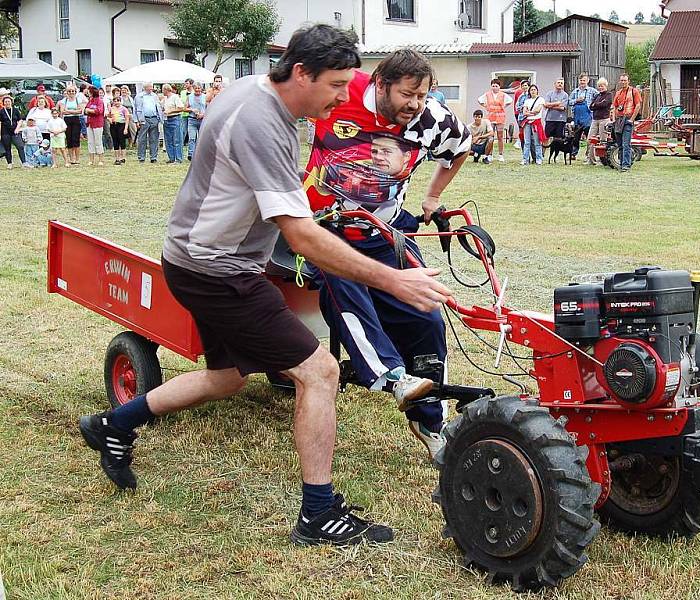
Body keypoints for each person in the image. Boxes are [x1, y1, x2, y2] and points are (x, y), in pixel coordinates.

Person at [78, 24, 452, 547]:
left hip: (196, 258)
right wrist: (393, 278)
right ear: (301, 72)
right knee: (319, 372)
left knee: (228, 378)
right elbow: (301, 236)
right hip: (218, 270)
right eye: (337, 85)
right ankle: (319, 515)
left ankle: (112, 426)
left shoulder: (255, 89)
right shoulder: (263, 124)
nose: (346, 97)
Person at [304, 48, 470, 460]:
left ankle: (431, 422)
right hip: (324, 230)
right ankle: (392, 375)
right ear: (381, 84)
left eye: (421, 95)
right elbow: (281, 111)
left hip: (386, 232)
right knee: (344, 286)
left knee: (428, 315)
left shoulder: (431, 119)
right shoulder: (340, 93)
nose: (414, 105)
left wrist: (432, 195)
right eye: (407, 94)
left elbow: (460, 146)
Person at [610, 73, 642, 172]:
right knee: (619, 144)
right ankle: (621, 163)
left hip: (627, 119)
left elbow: (638, 105)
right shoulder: (618, 92)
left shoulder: (634, 91)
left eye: (625, 80)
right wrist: (614, 119)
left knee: (626, 144)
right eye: (622, 80)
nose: (623, 82)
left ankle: (626, 165)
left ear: (628, 81)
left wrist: (632, 119)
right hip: (619, 120)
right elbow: (614, 106)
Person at [477, 79, 512, 161]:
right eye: (493, 86)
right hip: (490, 117)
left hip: (500, 117)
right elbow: (480, 100)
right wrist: (485, 106)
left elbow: (510, 101)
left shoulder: (503, 95)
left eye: (496, 86)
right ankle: (490, 154)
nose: (494, 87)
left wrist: (504, 106)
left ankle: (500, 154)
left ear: (499, 87)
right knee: (490, 137)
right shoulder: (487, 94)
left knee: (500, 136)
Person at [568, 73, 598, 161]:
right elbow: (569, 102)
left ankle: (588, 154)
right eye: (581, 80)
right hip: (577, 117)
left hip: (588, 117)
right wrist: (576, 100)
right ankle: (573, 153)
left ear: (587, 81)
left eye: (584, 80)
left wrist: (594, 106)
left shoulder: (592, 91)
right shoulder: (575, 91)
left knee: (589, 137)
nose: (582, 82)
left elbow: (599, 97)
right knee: (576, 137)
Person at [134, 82, 163, 163]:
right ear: (145, 88)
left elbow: (158, 107)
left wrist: (159, 118)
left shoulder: (154, 96)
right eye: (150, 87)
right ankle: (141, 157)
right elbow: (135, 109)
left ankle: (153, 157)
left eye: (152, 87)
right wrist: (136, 121)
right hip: (143, 119)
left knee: (154, 139)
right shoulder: (139, 96)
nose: (151, 88)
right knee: (142, 139)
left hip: (154, 119)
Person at [56, 84, 85, 165]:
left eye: (73, 91)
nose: (71, 93)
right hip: (67, 120)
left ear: (75, 92)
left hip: (76, 119)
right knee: (69, 139)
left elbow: (80, 111)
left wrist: (69, 111)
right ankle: (71, 158)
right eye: (69, 91)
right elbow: (62, 111)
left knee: (76, 139)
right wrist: (73, 110)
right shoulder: (63, 101)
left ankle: (77, 158)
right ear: (67, 92)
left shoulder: (78, 100)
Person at [587, 77, 612, 166]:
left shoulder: (609, 95)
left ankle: (604, 161)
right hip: (595, 120)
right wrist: (598, 104)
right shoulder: (597, 96)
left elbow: (605, 104)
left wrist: (596, 105)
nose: (601, 88)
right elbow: (590, 106)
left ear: (606, 86)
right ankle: (591, 160)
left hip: (604, 120)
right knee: (590, 140)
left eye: (602, 86)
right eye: (599, 86)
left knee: (603, 140)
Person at [521, 84, 546, 166]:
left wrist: (529, 113)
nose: (533, 91)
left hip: (536, 122)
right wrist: (530, 113)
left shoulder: (541, 99)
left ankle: (539, 158)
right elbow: (524, 112)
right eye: (531, 90)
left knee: (537, 142)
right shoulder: (527, 101)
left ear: (537, 91)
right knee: (527, 142)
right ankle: (525, 159)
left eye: (534, 89)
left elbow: (538, 110)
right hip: (527, 122)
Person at [161, 83, 185, 163]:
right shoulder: (165, 98)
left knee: (177, 139)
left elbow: (181, 108)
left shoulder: (175, 97)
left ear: (166, 90)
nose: (162, 92)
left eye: (162, 90)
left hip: (175, 119)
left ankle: (178, 159)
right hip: (167, 119)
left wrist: (171, 111)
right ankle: (171, 158)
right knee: (168, 140)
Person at [1, 96, 26, 169]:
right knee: (7, 148)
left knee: (20, 146)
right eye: (6, 102)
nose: (7, 103)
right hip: (5, 132)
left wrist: (17, 129)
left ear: (11, 102)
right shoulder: (1, 111)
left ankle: (24, 162)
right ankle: (9, 163)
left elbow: (20, 120)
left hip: (15, 131)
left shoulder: (15, 110)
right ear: (3, 103)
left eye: (8, 101)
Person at [84, 86, 106, 166]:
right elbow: (85, 109)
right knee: (90, 142)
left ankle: (100, 159)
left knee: (98, 141)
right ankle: (91, 160)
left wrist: (89, 110)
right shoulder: (90, 101)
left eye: (89, 92)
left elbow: (99, 111)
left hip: (97, 124)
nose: (88, 93)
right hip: (90, 123)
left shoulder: (99, 101)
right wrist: (88, 110)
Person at [107, 95, 131, 165]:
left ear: (120, 101)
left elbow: (127, 119)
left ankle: (123, 157)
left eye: (118, 101)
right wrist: (110, 119)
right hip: (113, 125)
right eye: (115, 101)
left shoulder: (124, 109)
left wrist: (126, 128)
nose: (116, 102)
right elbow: (108, 116)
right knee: (115, 141)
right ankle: (117, 158)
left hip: (121, 125)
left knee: (122, 141)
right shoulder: (111, 109)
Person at [185, 82, 206, 161]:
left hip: (202, 120)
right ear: (193, 88)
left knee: (202, 138)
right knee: (192, 138)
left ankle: (201, 154)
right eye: (196, 88)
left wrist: (203, 114)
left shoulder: (205, 96)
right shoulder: (189, 97)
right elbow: (185, 108)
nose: (197, 90)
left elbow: (210, 107)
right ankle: (191, 154)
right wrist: (192, 109)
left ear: (201, 89)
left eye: (199, 88)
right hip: (192, 119)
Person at [180, 78, 194, 146]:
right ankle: (181, 143)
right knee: (183, 130)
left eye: (187, 83)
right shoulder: (182, 92)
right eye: (185, 83)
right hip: (184, 114)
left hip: (192, 114)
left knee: (192, 131)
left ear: (191, 84)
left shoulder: (195, 92)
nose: (185, 84)